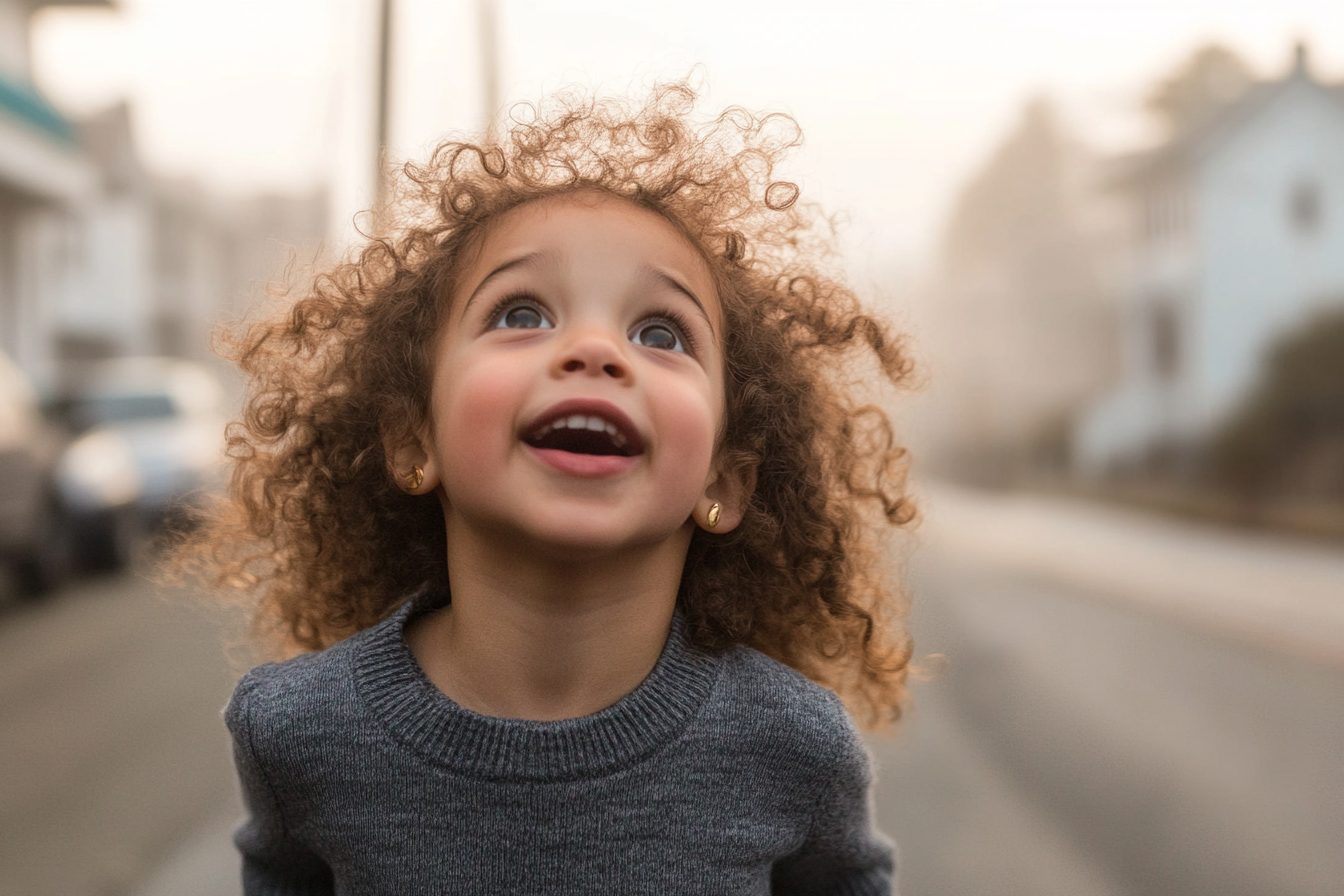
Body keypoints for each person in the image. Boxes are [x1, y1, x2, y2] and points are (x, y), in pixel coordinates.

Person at [180, 82, 916, 894]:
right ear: (411, 439)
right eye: (522, 314)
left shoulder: (795, 747)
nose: (596, 350)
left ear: (724, 481)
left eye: (661, 333)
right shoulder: (296, 731)